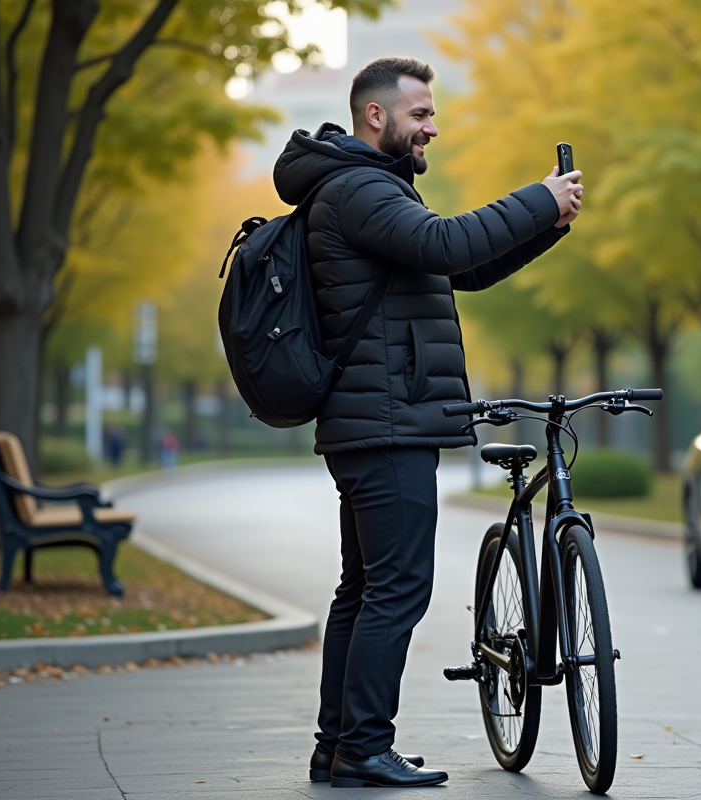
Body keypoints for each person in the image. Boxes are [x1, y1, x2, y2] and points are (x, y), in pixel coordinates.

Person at [272, 56, 582, 788]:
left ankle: (340, 746)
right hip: (385, 422)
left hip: (380, 418)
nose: (432, 128)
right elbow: (448, 245)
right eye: (420, 114)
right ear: (375, 116)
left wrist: (550, 223)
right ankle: (364, 746)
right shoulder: (355, 189)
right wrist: (537, 198)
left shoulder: (361, 188)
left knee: (365, 586)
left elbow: (459, 269)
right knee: (397, 589)